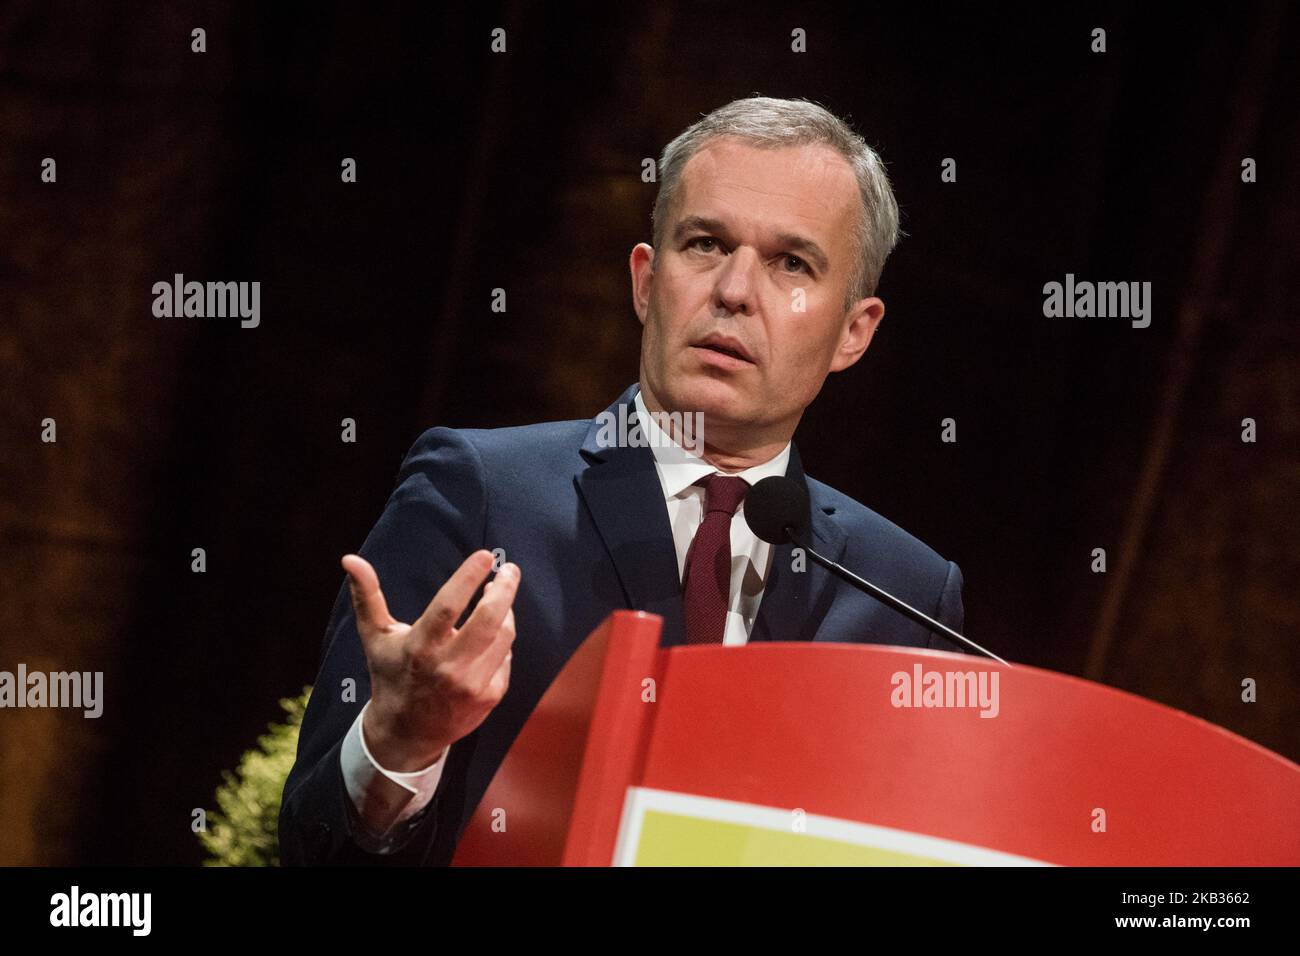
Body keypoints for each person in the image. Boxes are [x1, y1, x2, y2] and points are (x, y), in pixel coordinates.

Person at [279, 96, 966, 866]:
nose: (735, 290)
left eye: (791, 263)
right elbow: (313, 847)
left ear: (853, 331)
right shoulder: (479, 494)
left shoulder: (905, 595)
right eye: (705, 244)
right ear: (646, 281)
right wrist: (399, 745)